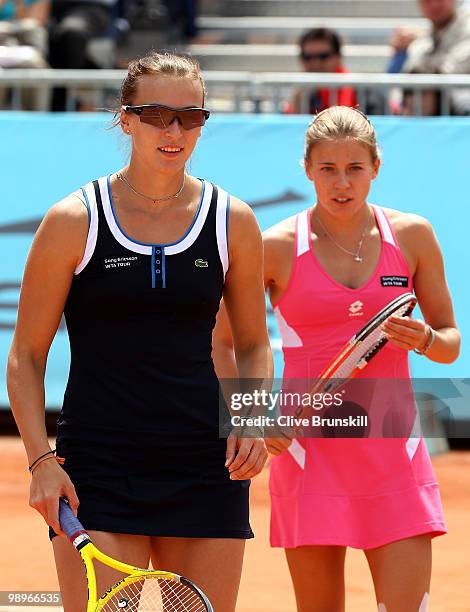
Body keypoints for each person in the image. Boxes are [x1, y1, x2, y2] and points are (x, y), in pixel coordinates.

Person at [7, 51, 271, 612]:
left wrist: (250, 418)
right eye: (156, 114)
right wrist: (39, 462)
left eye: (190, 117)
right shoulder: (73, 220)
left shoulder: (233, 220)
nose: (173, 131)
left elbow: (251, 342)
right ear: (125, 119)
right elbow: (26, 356)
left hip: (206, 463)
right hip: (99, 467)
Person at [213, 106, 461, 611]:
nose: (341, 183)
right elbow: (221, 341)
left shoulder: (412, 236)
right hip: (308, 454)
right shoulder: (275, 246)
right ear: (307, 169)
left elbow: (451, 338)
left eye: (354, 168)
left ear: (375, 167)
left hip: (394, 452)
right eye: (328, 168)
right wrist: (252, 416)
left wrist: (426, 339)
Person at [392, 0, 470, 114]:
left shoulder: (467, 30)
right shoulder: (420, 43)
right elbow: (406, 81)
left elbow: (448, 71)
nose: (434, 5)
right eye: (427, 1)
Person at [284, 27, 358, 115]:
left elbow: (341, 123)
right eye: (308, 57)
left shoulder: (350, 85)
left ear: (338, 56)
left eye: (323, 56)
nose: (315, 63)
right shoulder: (303, 87)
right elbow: (291, 122)